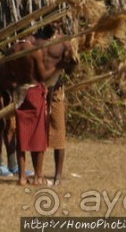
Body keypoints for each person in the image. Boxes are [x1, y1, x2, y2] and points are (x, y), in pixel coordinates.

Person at [4, 34, 58, 186]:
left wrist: (15, 85)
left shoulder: (10, 52)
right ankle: (38, 177)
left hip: (19, 94)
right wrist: (57, 66)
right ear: (31, 39)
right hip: (34, 93)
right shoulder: (34, 51)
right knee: (38, 136)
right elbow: (42, 75)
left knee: (21, 137)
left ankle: (21, 177)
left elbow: (7, 75)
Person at [32, 22, 77, 186]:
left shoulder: (65, 42)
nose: (55, 24)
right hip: (36, 89)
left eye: (58, 21)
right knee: (37, 132)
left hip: (56, 90)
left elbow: (70, 70)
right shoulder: (33, 41)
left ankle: (58, 175)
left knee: (58, 131)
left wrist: (70, 62)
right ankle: (38, 174)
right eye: (52, 20)